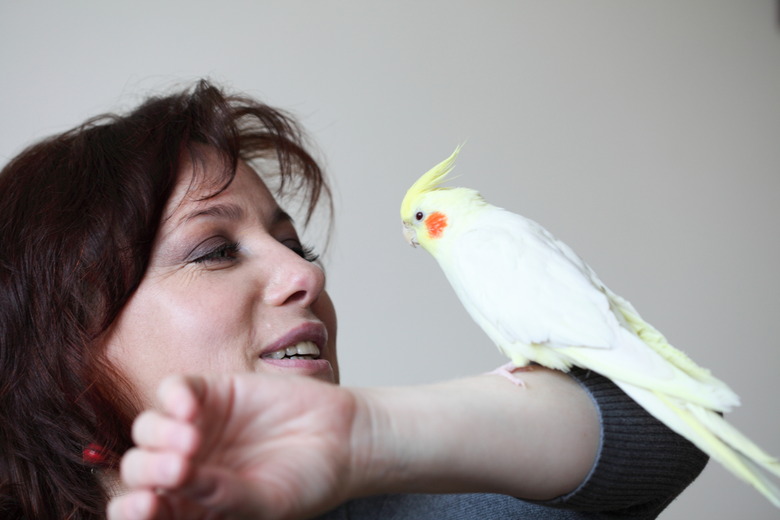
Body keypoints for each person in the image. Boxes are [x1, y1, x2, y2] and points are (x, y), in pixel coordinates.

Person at [0, 79, 708, 520]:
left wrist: (366, 435)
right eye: (216, 250)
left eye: (296, 245)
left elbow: (670, 430)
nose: (306, 275)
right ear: (64, 347)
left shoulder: (387, 501)